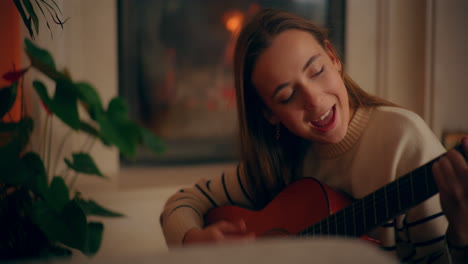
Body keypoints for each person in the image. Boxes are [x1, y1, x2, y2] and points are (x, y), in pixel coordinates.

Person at [160, 8, 468, 263]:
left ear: (333, 57)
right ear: (269, 113)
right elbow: (183, 201)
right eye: (286, 95)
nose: (314, 99)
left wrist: (462, 233)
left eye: (316, 70)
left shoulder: (404, 141)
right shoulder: (284, 156)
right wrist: (194, 240)